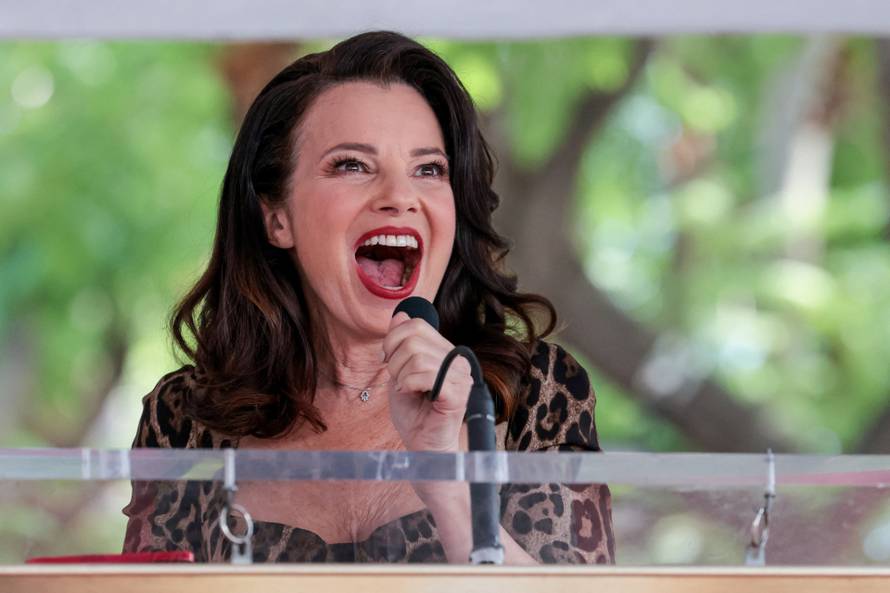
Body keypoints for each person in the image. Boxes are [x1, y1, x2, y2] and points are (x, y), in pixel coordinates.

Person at [122, 30, 614, 564]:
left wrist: (447, 484)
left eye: (429, 169)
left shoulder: (535, 393)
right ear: (277, 216)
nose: (400, 197)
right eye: (351, 165)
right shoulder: (185, 418)